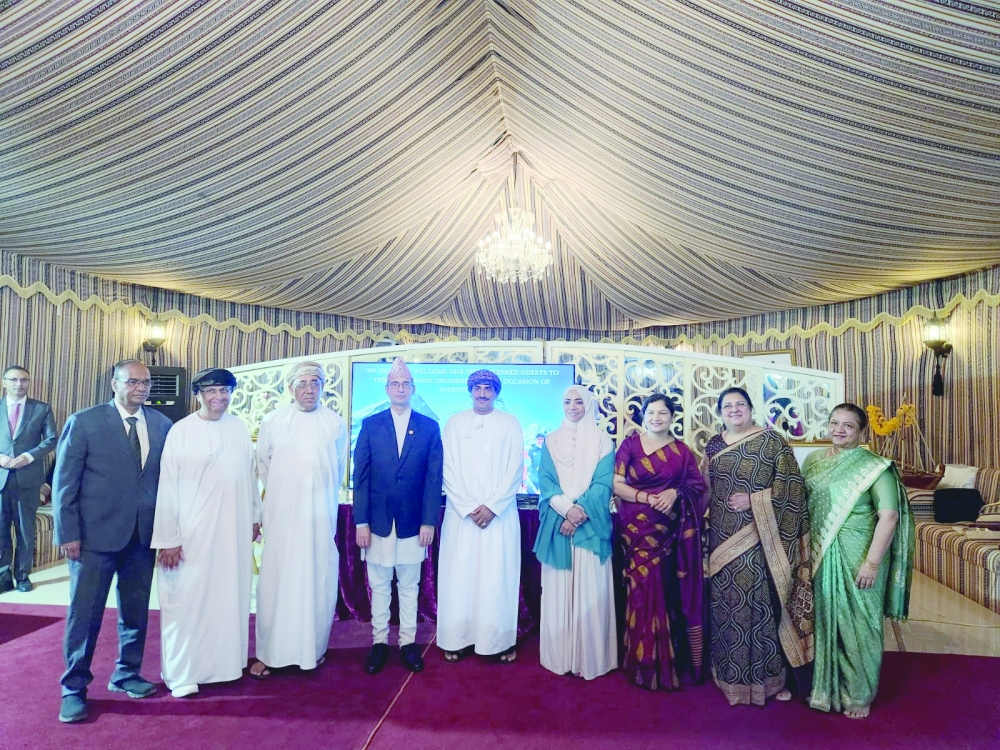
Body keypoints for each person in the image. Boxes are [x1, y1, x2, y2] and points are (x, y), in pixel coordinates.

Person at [53, 359, 173, 723]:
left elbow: (168, 482)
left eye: (146, 383)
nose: (140, 388)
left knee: (135, 611)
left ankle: (127, 673)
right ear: (114, 384)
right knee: (85, 615)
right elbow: (64, 482)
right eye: (132, 382)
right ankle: (74, 688)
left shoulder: (162, 424)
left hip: (142, 536)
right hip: (93, 538)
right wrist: (68, 533)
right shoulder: (85, 421)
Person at [152, 368, 262, 698]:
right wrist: (169, 538)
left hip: (233, 532)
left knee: (229, 597)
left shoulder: (239, 427)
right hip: (191, 534)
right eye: (212, 391)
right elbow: (167, 486)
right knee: (186, 601)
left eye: (225, 390)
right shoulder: (181, 431)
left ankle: (226, 666)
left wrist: (255, 517)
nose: (219, 397)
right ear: (198, 394)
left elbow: (249, 477)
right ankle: (184, 673)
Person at [802, 403, 914, 719]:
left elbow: (889, 517)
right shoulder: (813, 461)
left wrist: (872, 563)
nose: (839, 430)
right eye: (834, 423)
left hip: (860, 555)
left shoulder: (875, 467)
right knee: (825, 617)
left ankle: (858, 694)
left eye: (848, 425)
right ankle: (824, 687)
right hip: (821, 553)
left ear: (862, 431)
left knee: (860, 622)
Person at [704, 387, 814, 707]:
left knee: (759, 603)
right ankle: (729, 676)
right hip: (721, 537)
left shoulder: (772, 440)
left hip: (762, 537)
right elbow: (704, 488)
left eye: (740, 404)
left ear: (751, 409)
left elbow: (793, 488)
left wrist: (755, 500)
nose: (734, 409)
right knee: (726, 604)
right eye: (727, 405)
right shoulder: (713, 445)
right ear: (720, 412)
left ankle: (769, 680)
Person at [250, 361, 349, 680]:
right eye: (303, 383)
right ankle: (270, 653)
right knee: (277, 580)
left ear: (323, 387)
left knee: (316, 579)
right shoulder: (273, 421)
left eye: (315, 383)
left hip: (319, 519)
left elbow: (338, 466)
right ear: (290, 388)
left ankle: (312, 650)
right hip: (282, 517)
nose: (309, 389)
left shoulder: (334, 422)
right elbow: (264, 466)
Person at [354, 357, 443, 674]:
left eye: (406, 384)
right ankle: (379, 642)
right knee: (379, 585)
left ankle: (408, 643)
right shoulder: (370, 425)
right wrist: (361, 522)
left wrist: (429, 520)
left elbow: (433, 478)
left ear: (413, 389)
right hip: (377, 521)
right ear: (387, 389)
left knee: (409, 584)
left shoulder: (429, 427)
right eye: (395, 384)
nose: (401, 389)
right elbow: (360, 477)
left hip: (413, 522)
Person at [612, 392, 707, 689]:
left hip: (669, 533)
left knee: (665, 590)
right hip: (635, 529)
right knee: (640, 588)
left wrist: (674, 493)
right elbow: (617, 484)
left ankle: (666, 663)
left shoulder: (682, 451)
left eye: (662, 412)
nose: (656, 417)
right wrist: (646, 497)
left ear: (672, 417)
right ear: (643, 415)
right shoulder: (629, 445)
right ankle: (640, 661)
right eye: (651, 412)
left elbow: (696, 485)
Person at [438, 369, 523, 663]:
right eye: (478, 388)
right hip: (462, 517)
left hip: (499, 517)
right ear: (470, 391)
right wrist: (468, 507)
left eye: (488, 388)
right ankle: (456, 639)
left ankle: (497, 642)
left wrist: (492, 506)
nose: (483, 393)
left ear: (496, 392)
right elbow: (447, 468)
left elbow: (515, 469)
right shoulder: (454, 423)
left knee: (496, 579)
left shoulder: (510, 423)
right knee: (459, 578)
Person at [533, 385, 617, 679]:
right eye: (567, 401)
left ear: (588, 405)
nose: (572, 406)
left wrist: (578, 513)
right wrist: (566, 510)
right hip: (558, 521)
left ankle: (589, 659)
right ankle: (560, 656)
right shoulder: (551, 440)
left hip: (589, 523)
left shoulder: (602, 441)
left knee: (590, 589)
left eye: (579, 402)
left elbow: (603, 482)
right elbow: (545, 480)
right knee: (558, 589)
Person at [0, 365, 58, 593]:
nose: (19, 384)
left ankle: (23, 576)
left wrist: (28, 456)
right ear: (4, 382)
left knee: (25, 530)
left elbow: (51, 439)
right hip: (1, 477)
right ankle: (3, 576)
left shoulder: (41, 409)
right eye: (14, 379)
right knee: (1, 530)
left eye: (24, 380)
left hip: (28, 478)